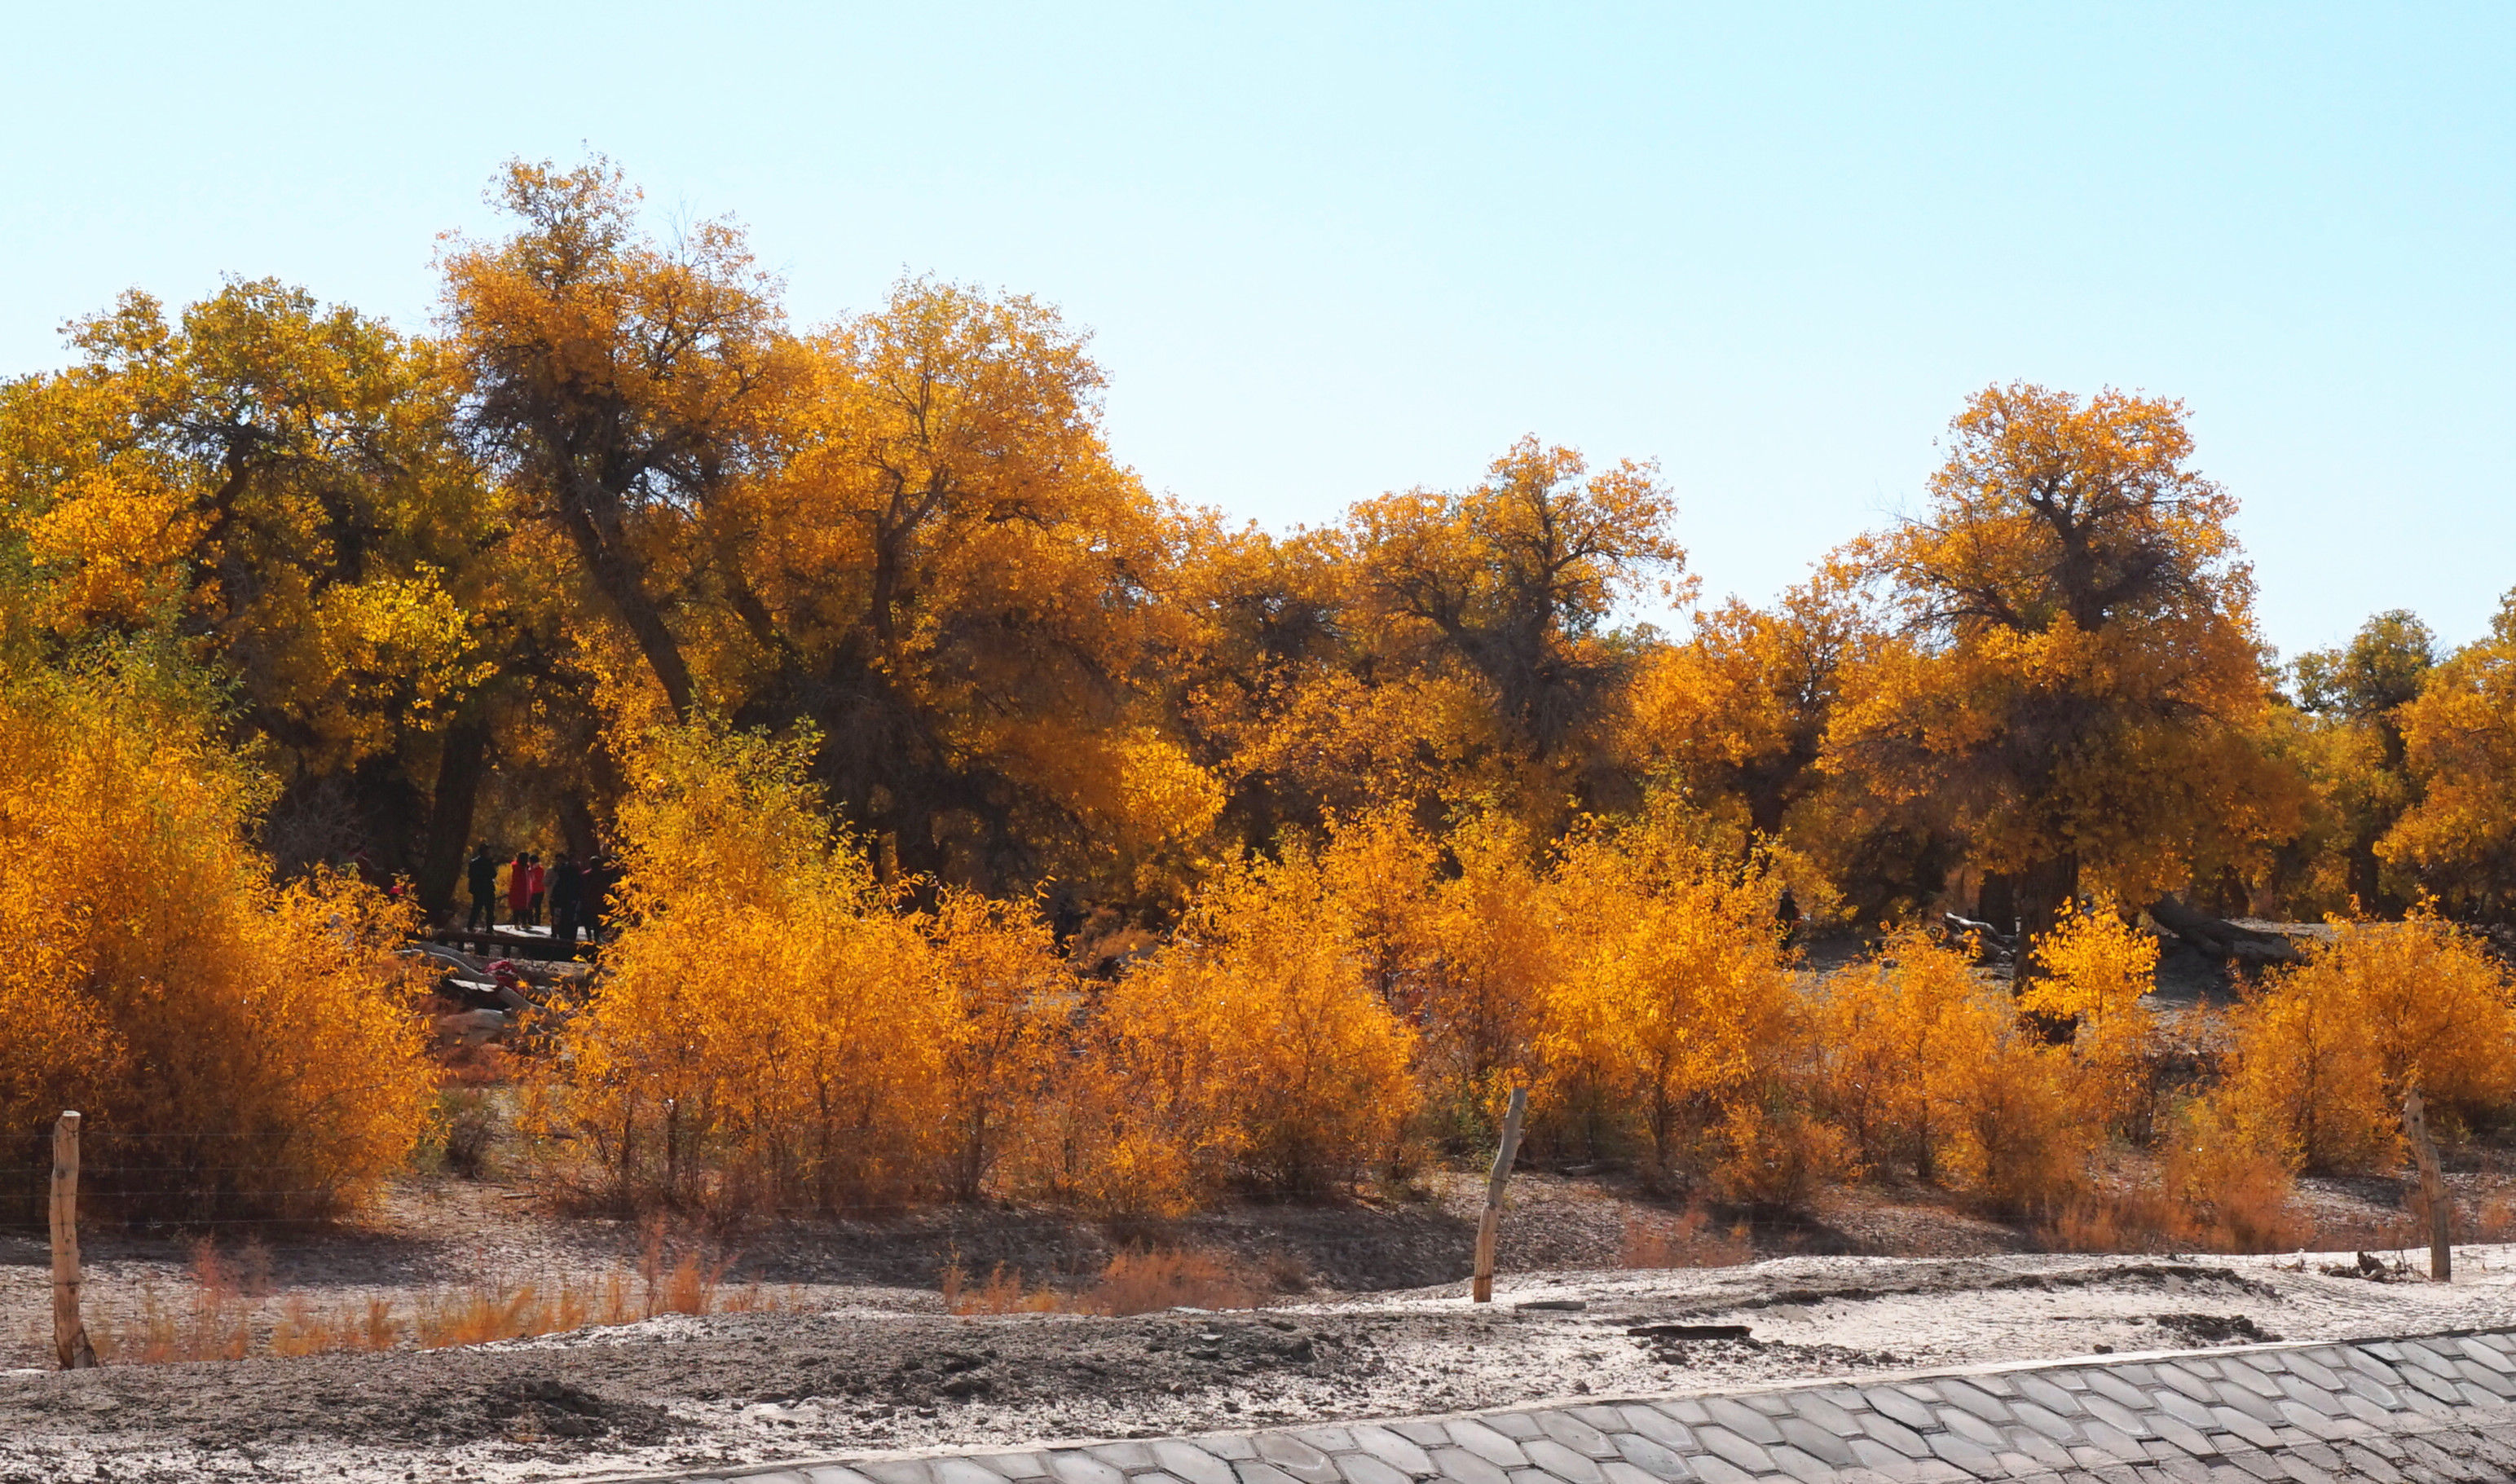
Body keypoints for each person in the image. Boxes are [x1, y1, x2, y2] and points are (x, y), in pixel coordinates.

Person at [549, 852, 584, 950]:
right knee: (572, 922)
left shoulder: (560, 883)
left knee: (561, 922)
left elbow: (554, 895)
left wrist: (554, 902)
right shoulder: (576, 880)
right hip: (572, 904)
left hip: (561, 904)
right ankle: (570, 941)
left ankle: (561, 939)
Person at [466, 843, 498, 931]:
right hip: (487, 889)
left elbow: (470, 875)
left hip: (478, 890)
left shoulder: (473, 863)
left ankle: (470, 927)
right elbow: (494, 874)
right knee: (490, 910)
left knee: (476, 910)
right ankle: (489, 928)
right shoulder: (488, 862)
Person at [506, 850, 532, 931]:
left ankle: (524, 922)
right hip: (517, 889)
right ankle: (516, 923)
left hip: (525, 889)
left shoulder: (526, 867)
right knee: (516, 906)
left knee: (525, 906)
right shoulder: (517, 867)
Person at [527, 853, 547, 931]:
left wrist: (531, 871)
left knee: (537, 907)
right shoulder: (530, 869)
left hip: (538, 891)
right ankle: (530, 922)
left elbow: (536, 879)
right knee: (530, 907)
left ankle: (537, 922)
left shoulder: (539, 869)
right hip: (532, 891)